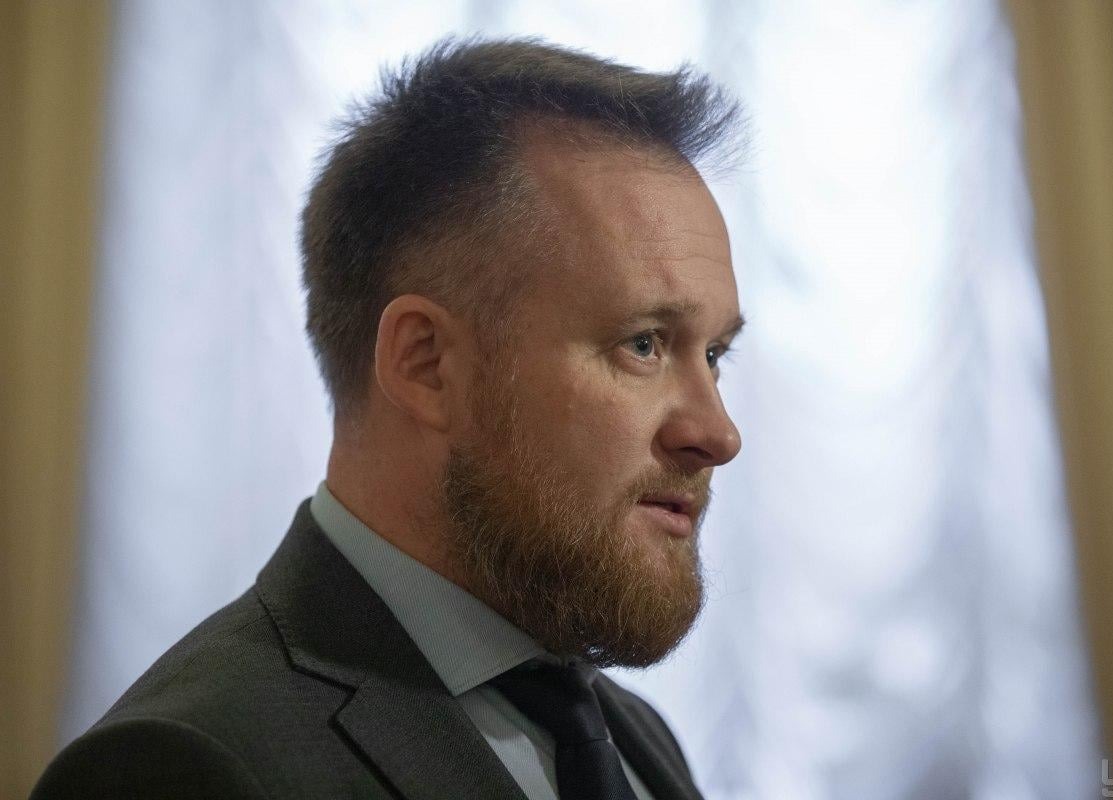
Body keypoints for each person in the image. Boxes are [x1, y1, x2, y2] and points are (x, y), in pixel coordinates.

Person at [33, 37, 745, 800]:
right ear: (425, 364)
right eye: (643, 344)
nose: (718, 434)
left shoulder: (632, 740)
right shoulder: (182, 767)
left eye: (714, 355)